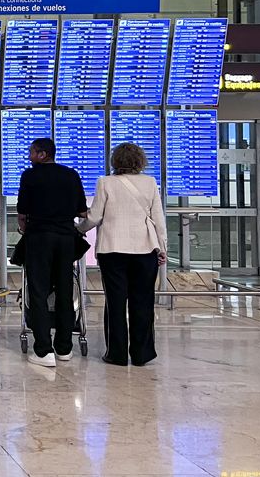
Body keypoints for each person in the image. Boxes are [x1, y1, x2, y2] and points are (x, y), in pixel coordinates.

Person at [78, 142, 167, 367]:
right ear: (140, 160)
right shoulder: (150, 183)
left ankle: (116, 354)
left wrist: (77, 230)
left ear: (114, 160)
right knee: (143, 302)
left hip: (113, 249)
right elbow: (159, 218)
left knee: (115, 302)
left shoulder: (105, 182)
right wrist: (162, 247)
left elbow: (95, 216)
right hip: (145, 249)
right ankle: (142, 354)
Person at [16, 137, 87, 367]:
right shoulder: (71, 175)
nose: (30, 156)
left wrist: (26, 229)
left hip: (39, 239)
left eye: (32, 152)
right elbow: (82, 211)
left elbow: (22, 213)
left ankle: (43, 350)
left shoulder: (30, 176)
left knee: (38, 292)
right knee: (65, 290)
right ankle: (65, 348)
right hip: (66, 239)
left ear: (43, 154)